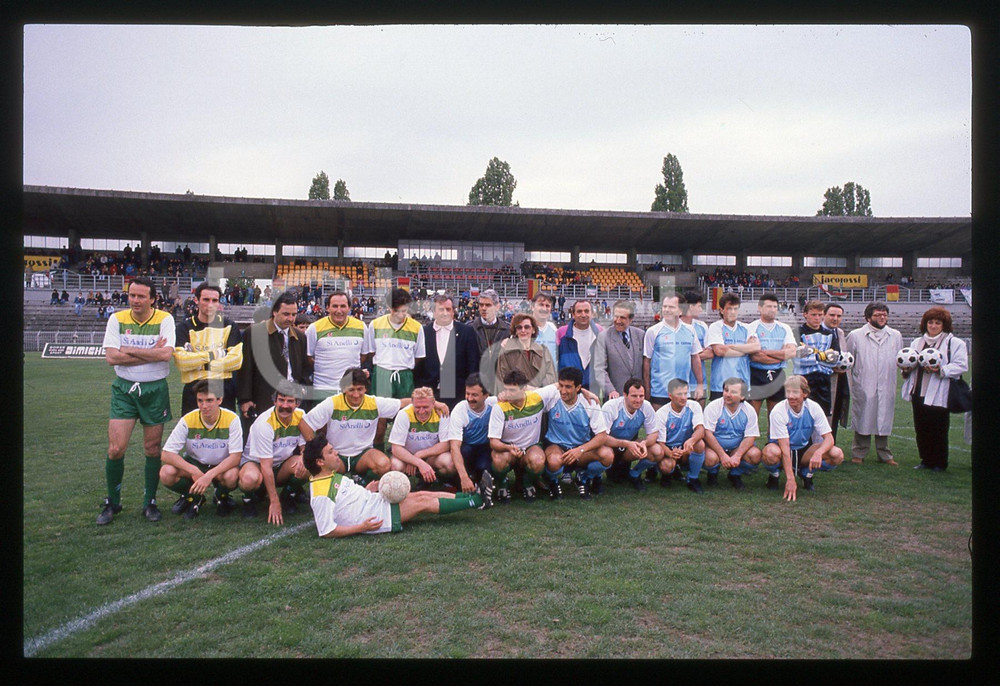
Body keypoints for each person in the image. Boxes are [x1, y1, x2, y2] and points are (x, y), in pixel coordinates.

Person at [303, 434, 492, 538]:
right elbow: (326, 531)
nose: (336, 453)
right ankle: (476, 501)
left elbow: (345, 500)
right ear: (320, 462)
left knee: (422, 494)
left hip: (375, 502)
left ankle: (474, 496)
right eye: (330, 452)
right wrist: (362, 527)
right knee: (422, 503)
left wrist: (366, 491)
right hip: (376, 518)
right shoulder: (320, 493)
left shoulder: (330, 476)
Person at [97, 276, 176, 525]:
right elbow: (111, 358)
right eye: (132, 295)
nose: (135, 300)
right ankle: (113, 502)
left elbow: (166, 355)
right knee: (115, 448)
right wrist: (150, 353)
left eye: (141, 296)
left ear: (153, 299)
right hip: (124, 390)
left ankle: (149, 502)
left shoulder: (165, 319)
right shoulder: (117, 319)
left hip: (155, 390)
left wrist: (128, 350)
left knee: (152, 449)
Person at [299, 368, 444, 484]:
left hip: (363, 454)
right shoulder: (332, 402)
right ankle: (294, 493)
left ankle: (362, 483)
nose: (356, 394)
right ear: (344, 389)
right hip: (338, 454)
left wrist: (434, 403)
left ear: (366, 388)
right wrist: (314, 448)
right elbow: (304, 422)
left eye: (360, 389)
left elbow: (402, 403)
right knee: (309, 468)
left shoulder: (373, 402)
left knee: (384, 465)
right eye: (351, 390)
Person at [159, 380, 243, 518]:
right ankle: (192, 497)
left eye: (209, 400)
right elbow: (166, 454)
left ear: (220, 400)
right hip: (196, 464)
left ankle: (221, 496)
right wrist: (194, 471)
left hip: (220, 467)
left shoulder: (232, 419)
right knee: (166, 473)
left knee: (232, 476)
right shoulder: (189, 419)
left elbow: (235, 457)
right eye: (200, 401)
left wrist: (209, 475)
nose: (204, 406)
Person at [901, 307, 968, 472]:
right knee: (921, 427)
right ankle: (926, 460)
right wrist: (906, 368)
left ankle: (939, 462)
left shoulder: (954, 343)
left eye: (938, 323)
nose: (933, 326)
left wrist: (940, 370)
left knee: (938, 428)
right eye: (930, 322)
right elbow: (911, 363)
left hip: (939, 392)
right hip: (918, 391)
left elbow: (961, 366)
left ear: (944, 325)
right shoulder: (917, 342)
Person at [236, 290, 310, 435]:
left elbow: (303, 367)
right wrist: (245, 399)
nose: (291, 318)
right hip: (263, 396)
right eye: (286, 314)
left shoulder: (300, 336)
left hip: (292, 397)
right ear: (274, 312)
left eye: (293, 315)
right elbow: (245, 368)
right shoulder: (255, 332)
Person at [238, 381, 310, 523]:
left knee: (309, 463)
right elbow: (265, 465)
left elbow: (305, 446)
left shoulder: (301, 415)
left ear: (297, 403)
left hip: (280, 464)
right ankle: (249, 499)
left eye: (290, 401)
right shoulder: (264, 424)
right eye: (281, 400)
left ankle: (288, 495)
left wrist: (303, 456)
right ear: (275, 401)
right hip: (256, 463)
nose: (284, 405)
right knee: (249, 479)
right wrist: (274, 502)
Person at [762, 375, 845, 499]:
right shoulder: (779, 410)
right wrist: (790, 479)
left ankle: (807, 474)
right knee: (770, 453)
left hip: (804, 449)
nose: (790, 396)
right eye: (788, 392)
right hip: (782, 449)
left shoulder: (814, 408)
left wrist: (819, 453)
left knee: (837, 454)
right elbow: (785, 449)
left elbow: (829, 439)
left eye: (795, 392)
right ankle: (774, 475)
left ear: (805, 393)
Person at [487, 370, 562, 504]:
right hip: (508, 448)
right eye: (506, 390)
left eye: (512, 390)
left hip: (530, 446)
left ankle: (526, 482)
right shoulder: (499, 407)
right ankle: (503, 484)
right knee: (498, 460)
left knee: (538, 461)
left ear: (524, 389)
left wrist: (586, 392)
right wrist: (508, 448)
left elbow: (559, 385)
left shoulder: (537, 397)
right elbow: (493, 442)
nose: (507, 394)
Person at [844, 302, 903, 466]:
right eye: (877, 315)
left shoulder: (895, 335)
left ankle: (884, 453)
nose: (882, 317)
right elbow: (848, 361)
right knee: (863, 416)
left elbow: (900, 359)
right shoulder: (856, 335)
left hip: (887, 383)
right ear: (868, 317)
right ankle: (859, 452)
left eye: (884, 314)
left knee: (884, 417)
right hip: (863, 383)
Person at [542, 367, 612, 500]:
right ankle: (553, 481)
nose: (563, 391)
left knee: (607, 455)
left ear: (578, 387)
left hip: (581, 449)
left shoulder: (590, 402)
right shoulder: (553, 398)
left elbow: (602, 436)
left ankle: (584, 478)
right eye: (561, 385)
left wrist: (580, 450)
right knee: (554, 460)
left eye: (568, 387)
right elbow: (532, 392)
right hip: (557, 445)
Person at [173, 282, 244, 414]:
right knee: (193, 433)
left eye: (214, 300)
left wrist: (198, 363)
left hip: (223, 389)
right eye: (206, 299)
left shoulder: (229, 326)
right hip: (193, 390)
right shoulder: (184, 328)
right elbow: (182, 362)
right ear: (196, 300)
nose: (210, 304)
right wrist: (215, 354)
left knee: (224, 432)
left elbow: (236, 361)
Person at [414, 293, 480, 409]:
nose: (445, 313)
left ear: (453, 311)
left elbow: (473, 364)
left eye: (448, 309)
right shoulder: (423, 332)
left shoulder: (467, 332)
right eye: (441, 309)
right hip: (429, 394)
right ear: (434, 311)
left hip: (458, 395)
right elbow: (418, 365)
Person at [305, 291, 371, 401]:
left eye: (343, 306)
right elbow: (309, 358)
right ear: (327, 308)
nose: (339, 310)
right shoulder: (314, 328)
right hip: (323, 389)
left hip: (351, 389)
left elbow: (363, 356)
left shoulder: (361, 327)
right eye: (335, 306)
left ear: (349, 308)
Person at [643, 294, 704, 409]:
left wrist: (700, 385)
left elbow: (695, 358)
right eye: (664, 306)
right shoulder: (653, 331)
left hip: (682, 391)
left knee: (682, 426)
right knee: (659, 426)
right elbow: (647, 361)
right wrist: (647, 388)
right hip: (660, 392)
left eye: (671, 307)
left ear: (680, 310)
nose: (666, 310)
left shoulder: (690, 330)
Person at [364, 288, 426, 400]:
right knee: (381, 412)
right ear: (389, 307)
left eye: (404, 311)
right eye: (396, 311)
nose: (400, 315)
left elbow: (419, 356)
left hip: (405, 375)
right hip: (382, 372)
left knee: (404, 412)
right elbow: (371, 352)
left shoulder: (417, 327)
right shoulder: (376, 324)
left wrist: (403, 364)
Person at [601, 377, 662, 489]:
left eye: (641, 396)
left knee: (657, 451)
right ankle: (594, 479)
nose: (638, 400)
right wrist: (626, 443)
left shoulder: (646, 406)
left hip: (628, 447)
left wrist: (645, 443)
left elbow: (654, 433)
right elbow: (602, 437)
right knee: (605, 455)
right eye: (634, 396)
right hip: (609, 446)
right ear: (624, 395)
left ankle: (634, 474)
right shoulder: (611, 407)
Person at [702, 377, 762, 491]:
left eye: (733, 392)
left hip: (736, 448)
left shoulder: (749, 410)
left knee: (755, 455)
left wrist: (737, 456)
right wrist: (722, 455)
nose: (728, 394)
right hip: (715, 448)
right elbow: (707, 433)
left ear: (743, 396)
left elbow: (750, 436)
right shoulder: (713, 407)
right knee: (710, 458)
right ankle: (713, 473)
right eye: (726, 390)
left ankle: (735, 474)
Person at [388, 387, 454, 487]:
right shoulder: (404, 414)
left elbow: (445, 445)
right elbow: (396, 448)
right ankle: (402, 489)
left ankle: (436, 482)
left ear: (433, 404)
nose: (421, 411)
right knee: (395, 466)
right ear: (412, 404)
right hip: (407, 457)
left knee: (449, 463)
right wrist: (417, 462)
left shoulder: (441, 413)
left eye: (425, 407)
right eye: (417, 407)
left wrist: (420, 455)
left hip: (430, 457)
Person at [746, 292, 797, 422]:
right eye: (769, 306)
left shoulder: (784, 328)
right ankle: (752, 442)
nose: (773, 310)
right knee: (752, 416)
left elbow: (791, 353)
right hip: (756, 374)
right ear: (760, 308)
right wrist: (781, 355)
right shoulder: (751, 327)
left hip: (778, 374)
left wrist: (766, 351)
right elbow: (755, 356)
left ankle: (772, 441)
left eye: (775, 307)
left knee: (775, 416)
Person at [653, 378, 708, 493]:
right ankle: (669, 473)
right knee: (666, 466)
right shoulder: (662, 413)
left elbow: (700, 430)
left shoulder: (694, 406)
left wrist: (692, 440)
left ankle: (693, 478)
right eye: (679, 394)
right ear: (670, 395)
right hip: (668, 450)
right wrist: (670, 453)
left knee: (700, 444)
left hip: (686, 448)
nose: (683, 397)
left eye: (685, 393)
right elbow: (660, 443)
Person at [446, 373, 498, 493]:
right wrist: (463, 477)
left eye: (474, 395)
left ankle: (496, 482)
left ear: (486, 395)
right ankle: (458, 480)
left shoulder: (495, 404)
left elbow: (518, 393)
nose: (469, 398)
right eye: (467, 394)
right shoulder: (460, 410)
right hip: (466, 448)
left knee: (484, 467)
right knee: (458, 457)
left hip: (485, 447)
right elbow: (454, 446)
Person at [705, 293, 759, 401]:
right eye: (729, 309)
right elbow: (719, 351)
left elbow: (756, 347)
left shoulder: (746, 328)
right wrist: (745, 349)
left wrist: (731, 347)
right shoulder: (715, 327)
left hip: (742, 384)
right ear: (721, 310)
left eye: (735, 309)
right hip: (720, 385)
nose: (733, 312)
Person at [792, 300, 840, 417]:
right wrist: (821, 356)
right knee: (803, 417)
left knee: (822, 418)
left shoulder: (829, 334)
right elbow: (796, 360)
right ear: (805, 314)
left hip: (824, 380)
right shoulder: (797, 332)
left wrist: (812, 356)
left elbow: (835, 359)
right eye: (813, 315)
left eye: (820, 315)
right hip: (803, 380)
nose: (817, 318)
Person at [592, 300, 645, 402]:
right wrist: (611, 390)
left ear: (631, 319)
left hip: (639, 397)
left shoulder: (641, 335)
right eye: (616, 316)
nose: (618, 320)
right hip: (616, 397)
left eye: (622, 318)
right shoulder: (604, 337)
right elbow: (599, 369)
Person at [496, 313, 557, 391]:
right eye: (519, 327)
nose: (523, 330)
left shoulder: (543, 350)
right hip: (517, 398)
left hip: (542, 397)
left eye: (527, 327)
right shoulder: (506, 352)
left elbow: (551, 376)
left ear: (534, 330)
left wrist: (538, 390)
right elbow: (502, 379)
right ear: (515, 331)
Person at [556, 299, 604, 390]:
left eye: (586, 311)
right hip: (569, 388)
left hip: (593, 389)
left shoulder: (600, 332)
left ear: (592, 314)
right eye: (579, 311)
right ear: (573, 314)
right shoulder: (562, 333)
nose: (583, 315)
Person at [680, 291, 713, 406]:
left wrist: (689, 354)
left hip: (699, 381)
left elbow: (710, 353)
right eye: (699, 306)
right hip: (679, 381)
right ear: (689, 306)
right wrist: (699, 352)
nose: (701, 309)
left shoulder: (702, 326)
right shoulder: (675, 326)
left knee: (698, 418)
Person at [469, 288, 510, 380]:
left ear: (497, 307)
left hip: (500, 383)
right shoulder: (469, 329)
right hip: (477, 383)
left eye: (488, 305)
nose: (483, 308)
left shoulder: (508, 330)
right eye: (481, 305)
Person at [823, 303, 850, 440]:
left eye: (839, 316)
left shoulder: (840, 333)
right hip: (823, 382)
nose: (835, 318)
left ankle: (831, 446)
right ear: (824, 315)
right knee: (824, 416)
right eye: (832, 315)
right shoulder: (818, 332)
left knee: (836, 413)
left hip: (840, 381)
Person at [531, 292, 559, 365]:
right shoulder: (523, 328)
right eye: (541, 305)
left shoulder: (554, 329)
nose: (544, 309)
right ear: (532, 307)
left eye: (547, 306)